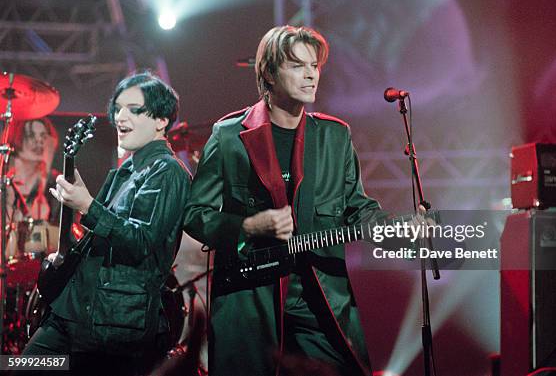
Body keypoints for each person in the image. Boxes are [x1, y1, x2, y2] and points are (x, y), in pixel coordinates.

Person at [184, 26, 384, 376]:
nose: (310, 74)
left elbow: (358, 207)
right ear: (269, 74)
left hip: (320, 296)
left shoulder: (335, 136)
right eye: (296, 65)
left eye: (315, 66)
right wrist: (248, 226)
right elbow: (195, 214)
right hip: (250, 297)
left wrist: (394, 225)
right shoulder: (229, 136)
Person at [21, 72, 191, 376]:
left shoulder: (167, 171)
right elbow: (100, 237)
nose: (120, 116)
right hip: (74, 314)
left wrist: (87, 205)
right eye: (118, 108)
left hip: (112, 327)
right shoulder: (126, 171)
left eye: (134, 109)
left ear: (162, 120)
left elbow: (141, 240)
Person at [5, 117, 60, 257]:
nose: (39, 141)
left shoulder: (53, 181)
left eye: (43, 136)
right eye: (31, 135)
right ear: (17, 137)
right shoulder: (4, 181)